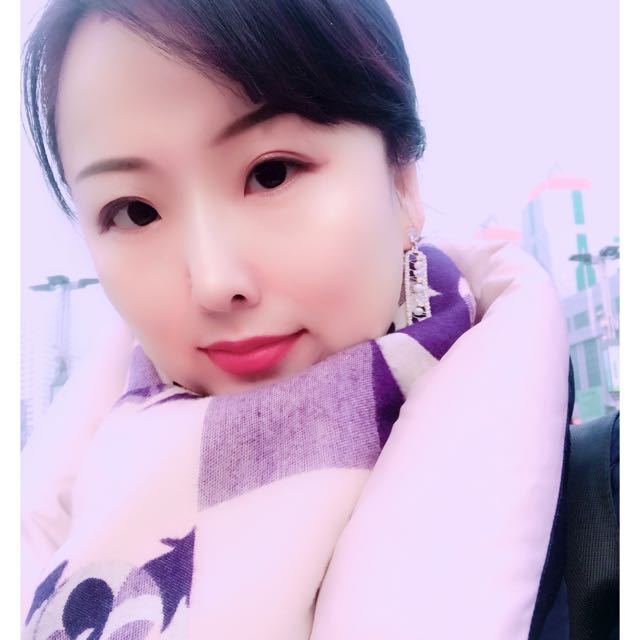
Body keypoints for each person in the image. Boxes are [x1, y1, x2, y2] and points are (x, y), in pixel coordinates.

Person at [21, 1, 572, 637]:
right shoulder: (53, 518)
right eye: (134, 212)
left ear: (402, 180)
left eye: (271, 173)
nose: (216, 281)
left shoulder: (606, 522)